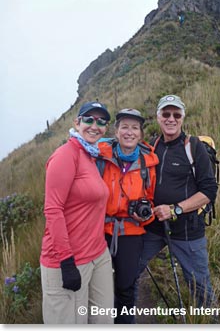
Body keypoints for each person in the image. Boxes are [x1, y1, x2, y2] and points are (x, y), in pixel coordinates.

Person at [137, 95, 218, 310]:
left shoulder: (194, 147)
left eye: (176, 114)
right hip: (154, 227)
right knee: (131, 269)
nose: (170, 118)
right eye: (166, 114)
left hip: (188, 229)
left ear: (182, 117)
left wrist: (175, 209)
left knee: (200, 287)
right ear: (158, 117)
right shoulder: (152, 146)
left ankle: (208, 322)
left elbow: (209, 190)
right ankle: (125, 316)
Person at [40, 101, 114, 324]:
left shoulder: (90, 155)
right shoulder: (66, 155)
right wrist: (66, 262)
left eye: (101, 122)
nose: (95, 125)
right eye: (89, 119)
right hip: (68, 259)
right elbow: (52, 210)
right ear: (77, 123)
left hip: (98, 255)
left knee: (102, 321)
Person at [98, 108, 159, 324]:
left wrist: (146, 213)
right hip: (99, 232)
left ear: (141, 134)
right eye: (124, 126)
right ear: (116, 131)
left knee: (125, 286)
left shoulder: (148, 164)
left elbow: (151, 199)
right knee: (99, 289)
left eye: (135, 128)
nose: (129, 132)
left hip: (132, 233)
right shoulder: (100, 157)